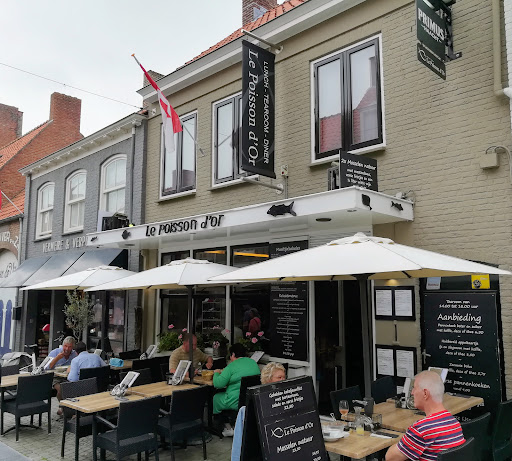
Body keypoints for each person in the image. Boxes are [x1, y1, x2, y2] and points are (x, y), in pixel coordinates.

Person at [385, 371, 465, 461]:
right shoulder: (454, 423)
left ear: (425, 394)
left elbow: (390, 458)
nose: (412, 393)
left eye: (414, 388)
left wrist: (406, 439)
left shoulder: (421, 429)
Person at [212, 343, 261, 437]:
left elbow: (218, 384)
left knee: (216, 397)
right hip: (250, 399)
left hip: (234, 401)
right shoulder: (253, 363)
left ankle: (227, 427)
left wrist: (216, 373)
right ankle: (235, 425)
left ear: (233, 354)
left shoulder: (231, 366)